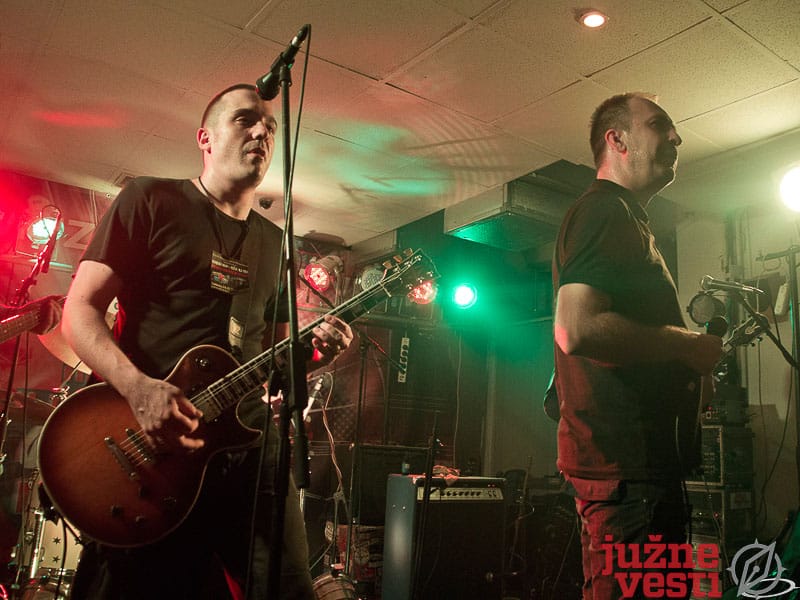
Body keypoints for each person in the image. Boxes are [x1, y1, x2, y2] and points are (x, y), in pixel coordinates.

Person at [60, 83, 353, 599]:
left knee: (289, 589)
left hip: (249, 447)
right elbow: (79, 312)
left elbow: (273, 357)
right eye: (245, 120)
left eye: (270, 127)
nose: (262, 132)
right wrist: (138, 388)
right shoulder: (150, 199)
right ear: (206, 138)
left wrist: (313, 356)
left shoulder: (275, 242)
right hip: (156, 446)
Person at [551, 92, 724, 599]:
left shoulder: (624, 216)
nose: (677, 137)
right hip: (628, 473)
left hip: (636, 471)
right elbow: (576, 329)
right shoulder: (605, 210)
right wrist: (686, 346)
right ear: (618, 139)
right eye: (659, 125)